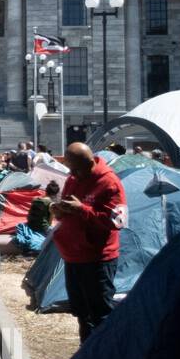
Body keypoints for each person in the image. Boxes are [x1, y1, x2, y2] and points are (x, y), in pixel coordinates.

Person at [52, 143, 127, 341]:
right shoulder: (74, 178)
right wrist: (59, 211)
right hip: (73, 256)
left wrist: (82, 209)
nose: (72, 173)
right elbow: (69, 209)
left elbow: (119, 222)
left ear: (90, 162)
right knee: (81, 313)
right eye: (70, 168)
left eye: (76, 168)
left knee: (100, 313)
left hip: (97, 259)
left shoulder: (109, 183)